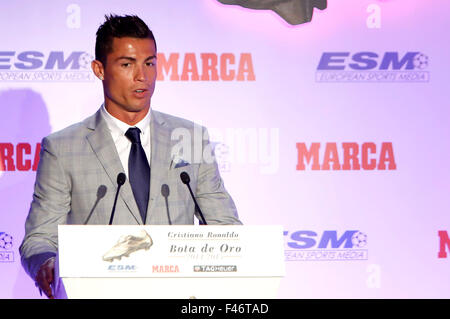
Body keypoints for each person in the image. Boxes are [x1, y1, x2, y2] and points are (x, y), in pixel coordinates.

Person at [19, 14, 242, 299]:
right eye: (127, 64)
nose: (142, 76)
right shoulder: (63, 148)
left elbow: (225, 227)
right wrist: (47, 264)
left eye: (149, 63)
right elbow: (39, 238)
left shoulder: (190, 137)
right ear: (99, 69)